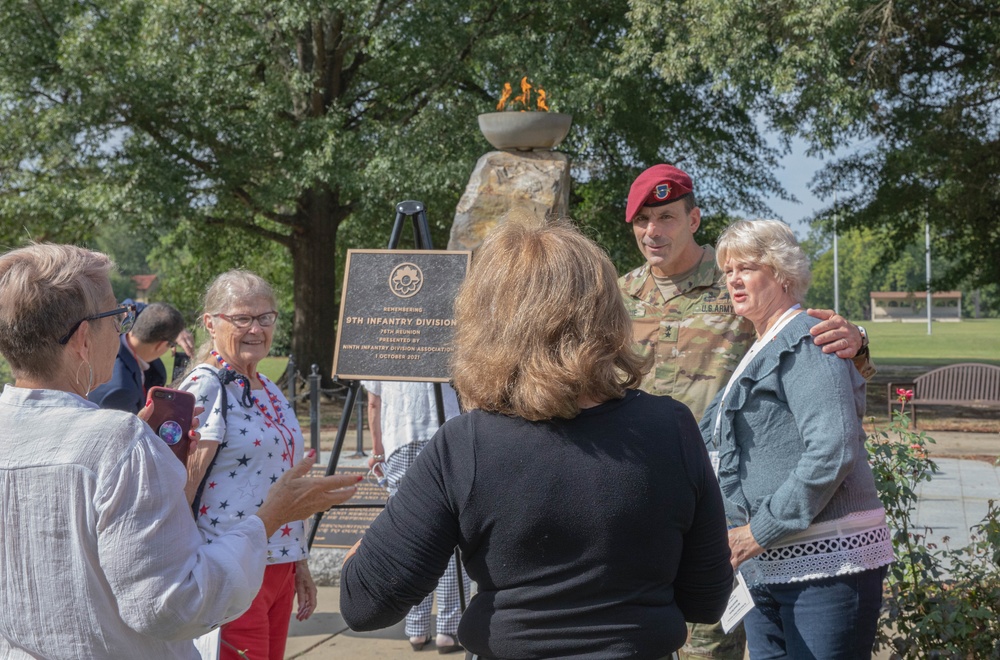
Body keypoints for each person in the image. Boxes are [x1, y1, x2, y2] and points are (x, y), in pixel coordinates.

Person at [341, 214, 734, 659]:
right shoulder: (671, 427)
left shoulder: (465, 445)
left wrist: (363, 552)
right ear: (606, 312)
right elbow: (706, 597)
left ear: (485, 318)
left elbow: (364, 604)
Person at [0, 243, 359, 658]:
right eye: (118, 318)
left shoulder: (119, 441)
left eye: (265, 317)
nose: (123, 330)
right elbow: (169, 606)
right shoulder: (121, 443)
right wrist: (270, 517)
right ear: (83, 338)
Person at [618, 163, 874, 659]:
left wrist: (860, 341)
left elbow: (808, 341)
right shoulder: (615, 295)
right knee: (635, 629)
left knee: (711, 637)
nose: (653, 231)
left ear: (694, 220)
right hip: (638, 493)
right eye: (642, 220)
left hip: (715, 497)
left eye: (667, 216)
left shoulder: (740, 279)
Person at [702, 219, 893, 658]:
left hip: (822, 565)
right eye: (727, 269)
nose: (732, 279)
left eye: (746, 267)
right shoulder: (762, 343)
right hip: (765, 565)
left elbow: (833, 449)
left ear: (782, 273)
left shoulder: (807, 338)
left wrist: (759, 531)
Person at [179, 270, 317, 660]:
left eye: (265, 318)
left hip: (278, 565)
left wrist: (299, 561)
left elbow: (283, 480)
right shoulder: (206, 385)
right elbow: (183, 486)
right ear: (211, 323)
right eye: (242, 318)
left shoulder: (269, 387)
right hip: (230, 566)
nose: (256, 329)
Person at [362, 380, 468, 653]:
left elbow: (374, 401)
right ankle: (450, 628)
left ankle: (417, 629)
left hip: (400, 439)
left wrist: (376, 450)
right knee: (454, 537)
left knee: (410, 537)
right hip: (449, 434)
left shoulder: (386, 338)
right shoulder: (450, 336)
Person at [89, 301, 187, 412]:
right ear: (161, 345)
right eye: (171, 344)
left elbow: (151, 310)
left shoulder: (116, 344)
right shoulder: (122, 391)